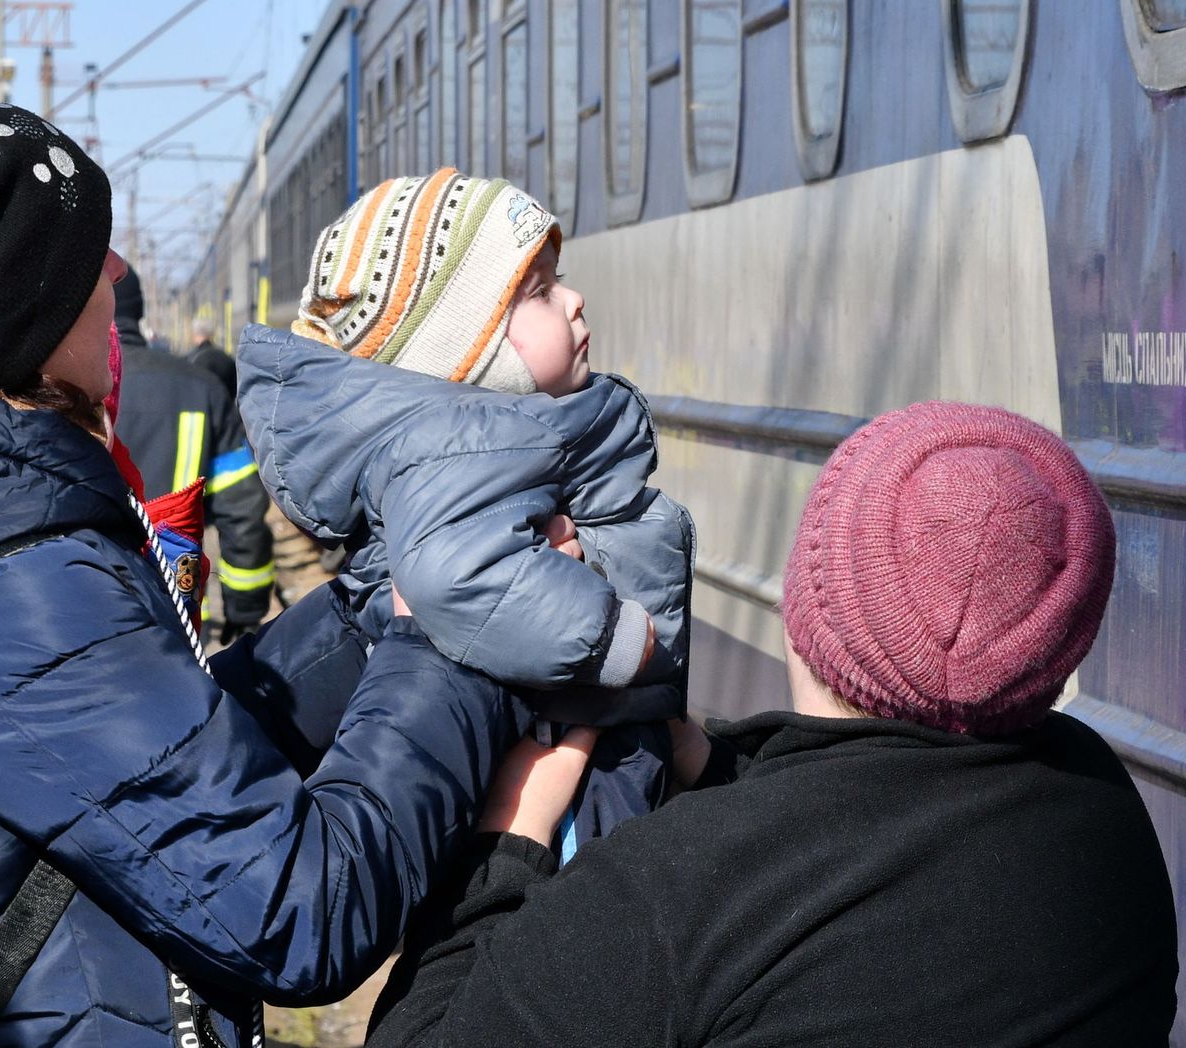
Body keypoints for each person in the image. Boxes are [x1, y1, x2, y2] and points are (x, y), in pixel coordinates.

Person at [0, 102, 524, 1046]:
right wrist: (443, 640)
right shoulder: (17, 585)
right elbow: (303, 913)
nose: (121, 274)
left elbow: (162, 756)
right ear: (13, 303)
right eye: (90, 251)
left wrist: (367, 611)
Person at [368, 402, 1180, 1047]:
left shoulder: (672, 891)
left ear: (802, 612)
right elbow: (879, 847)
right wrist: (725, 763)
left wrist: (505, 845)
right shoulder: (1103, 815)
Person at [222, 169, 693, 848]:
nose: (574, 299)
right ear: (465, 354)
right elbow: (455, 573)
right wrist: (615, 635)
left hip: (578, 720)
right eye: (538, 293)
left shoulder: (489, 439)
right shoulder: (458, 446)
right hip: (548, 747)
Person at [115, 267, 276, 641]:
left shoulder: (57, 391)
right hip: (179, 613)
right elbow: (243, 511)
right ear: (139, 311)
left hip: (84, 615)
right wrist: (245, 608)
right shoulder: (198, 387)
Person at [187, 313, 238, 400]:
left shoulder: (189, 360)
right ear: (212, 333)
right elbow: (234, 389)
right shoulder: (227, 359)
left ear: (193, 334)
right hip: (224, 409)